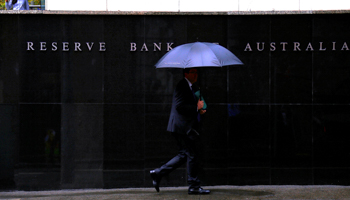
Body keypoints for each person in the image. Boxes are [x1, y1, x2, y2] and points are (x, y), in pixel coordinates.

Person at [150, 68, 210, 195]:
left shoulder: (191, 86)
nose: (196, 75)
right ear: (186, 74)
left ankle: (158, 173)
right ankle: (193, 186)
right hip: (182, 127)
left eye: (196, 72)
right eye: (193, 72)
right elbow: (179, 106)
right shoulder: (182, 85)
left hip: (182, 127)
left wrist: (200, 109)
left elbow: (192, 104)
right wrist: (196, 108)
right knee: (192, 155)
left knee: (185, 154)